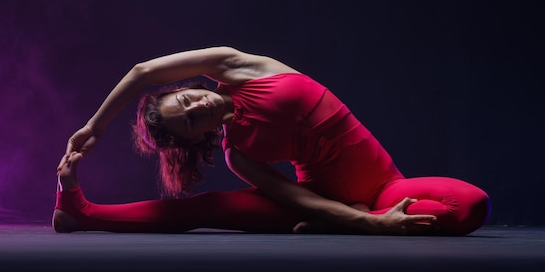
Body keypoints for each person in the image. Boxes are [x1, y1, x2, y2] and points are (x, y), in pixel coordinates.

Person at [53, 46, 491, 235]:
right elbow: (300, 200)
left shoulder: (242, 67)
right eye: (188, 121)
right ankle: (80, 212)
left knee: (470, 206)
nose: (195, 108)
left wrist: (95, 127)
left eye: (185, 99)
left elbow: (143, 72)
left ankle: (338, 227)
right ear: (197, 137)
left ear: (188, 85)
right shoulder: (239, 155)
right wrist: (371, 223)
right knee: (209, 209)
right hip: (328, 198)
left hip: (386, 187)